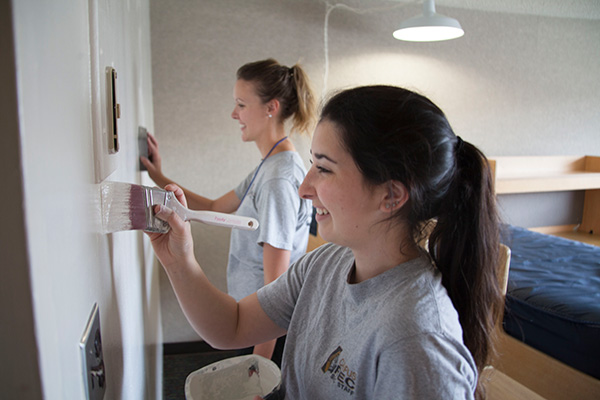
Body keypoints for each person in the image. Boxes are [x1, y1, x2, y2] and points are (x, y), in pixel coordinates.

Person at [147, 85, 504, 399]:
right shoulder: (326, 264)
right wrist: (179, 259)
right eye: (311, 164)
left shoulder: (417, 339)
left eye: (325, 168)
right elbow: (233, 325)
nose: (304, 188)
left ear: (391, 196)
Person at [141, 59, 317, 363]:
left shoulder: (278, 178)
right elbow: (212, 207)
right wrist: (157, 175)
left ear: (270, 108)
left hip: (265, 333)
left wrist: (258, 367)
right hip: (254, 323)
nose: (234, 114)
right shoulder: (270, 165)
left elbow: (275, 289)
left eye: (241, 105)